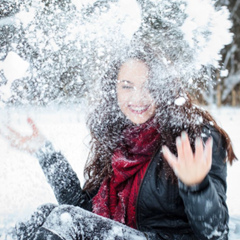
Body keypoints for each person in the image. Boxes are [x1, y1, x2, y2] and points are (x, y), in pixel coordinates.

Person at [1, 50, 237, 240]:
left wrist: (197, 186)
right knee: (48, 214)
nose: (138, 97)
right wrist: (47, 154)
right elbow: (83, 212)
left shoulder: (194, 135)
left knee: (65, 218)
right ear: (114, 90)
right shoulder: (119, 140)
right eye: (127, 86)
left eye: (149, 85)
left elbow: (216, 234)